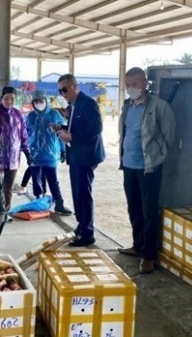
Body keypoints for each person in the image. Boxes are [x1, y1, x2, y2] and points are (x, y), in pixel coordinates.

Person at [117, 67, 176, 274]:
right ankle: (137, 245)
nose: (131, 89)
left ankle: (148, 256)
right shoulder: (127, 107)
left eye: (135, 84)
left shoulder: (160, 107)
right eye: (127, 85)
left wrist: (157, 156)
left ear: (145, 84)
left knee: (149, 211)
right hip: (129, 166)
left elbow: (169, 136)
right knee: (133, 209)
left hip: (148, 169)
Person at [56, 74, 105, 247]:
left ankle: (87, 233)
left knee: (83, 193)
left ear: (74, 86)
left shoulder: (88, 103)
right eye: (60, 90)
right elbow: (75, 127)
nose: (62, 93)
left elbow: (96, 128)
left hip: (86, 155)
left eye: (65, 89)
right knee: (77, 192)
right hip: (76, 155)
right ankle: (82, 225)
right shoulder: (73, 105)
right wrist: (61, 129)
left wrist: (72, 137)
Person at [0, 86, 31, 220]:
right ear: (1, 99)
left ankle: (4, 212)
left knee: (8, 187)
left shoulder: (18, 114)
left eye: (12, 99)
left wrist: (27, 152)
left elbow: (23, 135)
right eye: (6, 99)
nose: (9, 101)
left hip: (14, 157)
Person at [24, 90, 72, 215]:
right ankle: (39, 201)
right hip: (34, 154)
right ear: (33, 103)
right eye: (36, 102)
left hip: (51, 154)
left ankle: (59, 203)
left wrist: (63, 150)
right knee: (36, 179)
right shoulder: (30, 117)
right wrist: (27, 152)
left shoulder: (54, 114)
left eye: (41, 101)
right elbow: (24, 135)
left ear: (46, 101)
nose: (39, 104)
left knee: (53, 179)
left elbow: (62, 133)